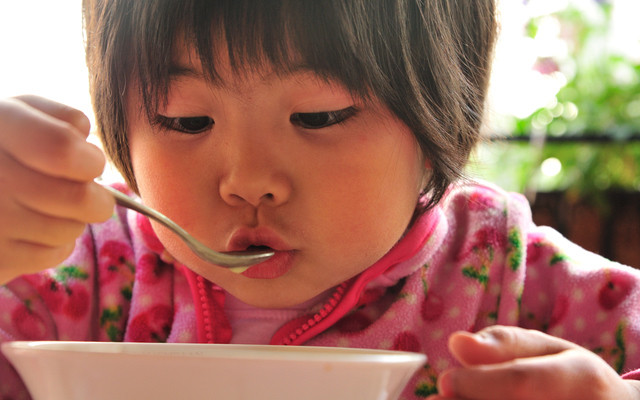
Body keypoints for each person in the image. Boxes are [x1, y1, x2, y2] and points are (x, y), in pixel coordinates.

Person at [1, 0, 639, 399]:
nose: (248, 182)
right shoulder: (79, 269)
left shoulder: (510, 275)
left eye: (319, 115)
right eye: (186, 121)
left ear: (437, 121)